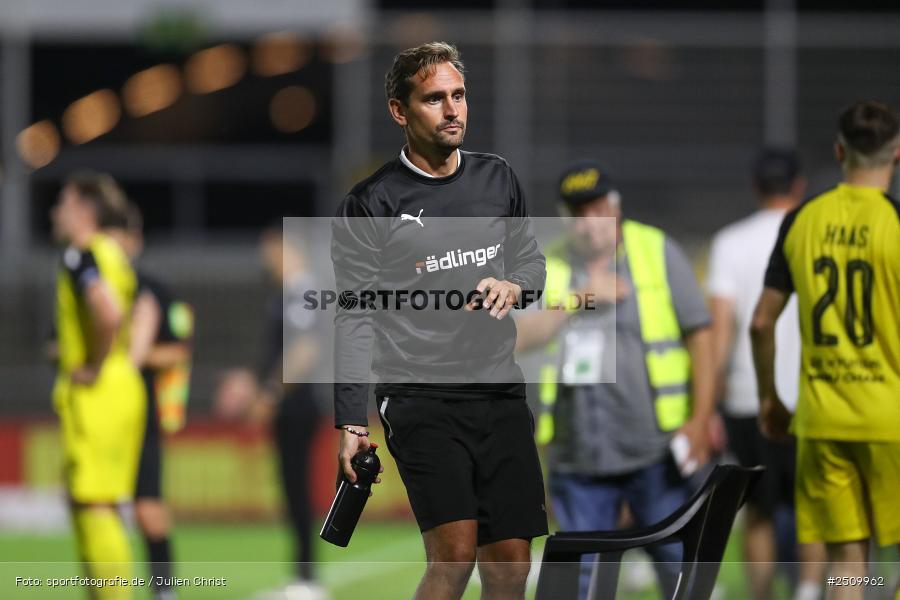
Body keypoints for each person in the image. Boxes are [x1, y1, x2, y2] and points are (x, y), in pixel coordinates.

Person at [331, 42, 547, 600]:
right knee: (452, 559)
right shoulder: (370, 203)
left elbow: (531, 262)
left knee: (511, 565)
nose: (453, 110)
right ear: (400, 111)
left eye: (458, 95)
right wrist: (352, 423)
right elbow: (353, 318)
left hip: (499, 393)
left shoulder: (497, 178)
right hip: (420, 396)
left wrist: (514, 285)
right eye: (434, 99)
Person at [515, 161, 715, 599]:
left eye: (596, 208)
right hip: (579, 456)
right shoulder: (551, 266)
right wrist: (583, 297)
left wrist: (701, 418)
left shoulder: (656, 251)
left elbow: (701, 333)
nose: (588, 222)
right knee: (582, 581)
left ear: (615, 207)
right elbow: (518, 336)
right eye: (577, 212)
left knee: (678, 568)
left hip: (656, 452)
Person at [751, 100, 900, 600]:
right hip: (891, 418)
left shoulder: (802, 220)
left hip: (824, 420)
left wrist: (770, 398)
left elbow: (760, 322)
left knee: (847, 561)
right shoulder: (895, 223)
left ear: (840, 152)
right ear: (895, 155)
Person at [708, 149, 825, 600]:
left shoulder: (729, 243)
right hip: (812, 394)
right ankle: (811, 589)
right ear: (799, 187)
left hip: (747, 397)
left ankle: (761, 594)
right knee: (814, 504)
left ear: (756, 188)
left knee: (756, 508)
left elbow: (722, 330)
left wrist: (712, 401)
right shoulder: (816, 235)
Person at [214, 227, 326, 600]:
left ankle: (307, 579)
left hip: (298, 405)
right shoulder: (284, 295)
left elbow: (306, 350)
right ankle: (302, 575)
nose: (267, 260)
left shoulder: (302, 292)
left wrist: (272, 393)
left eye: (270, 251)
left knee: (297, 490)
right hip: (289, 405)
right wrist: (249, 383)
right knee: (291, 490)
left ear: (286, 248)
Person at [50, 172, 146, 600]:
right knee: (94, 502)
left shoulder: (83, 254)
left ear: (84, 210)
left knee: (95, 505)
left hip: (99, 392)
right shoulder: (114, 251)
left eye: (63, 203)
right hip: (122, 384)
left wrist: (91, 363)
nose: (56, 212)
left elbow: (106, 313)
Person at [105, 203, 194, 600]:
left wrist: (126, 356)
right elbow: (54, 346)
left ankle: (164, 591)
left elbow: (177, 351)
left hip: (140, 414)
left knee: (148, 509)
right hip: (98, 415)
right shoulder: (88, 286)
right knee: (99, 510)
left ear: (135, 242)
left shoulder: (154, 291)